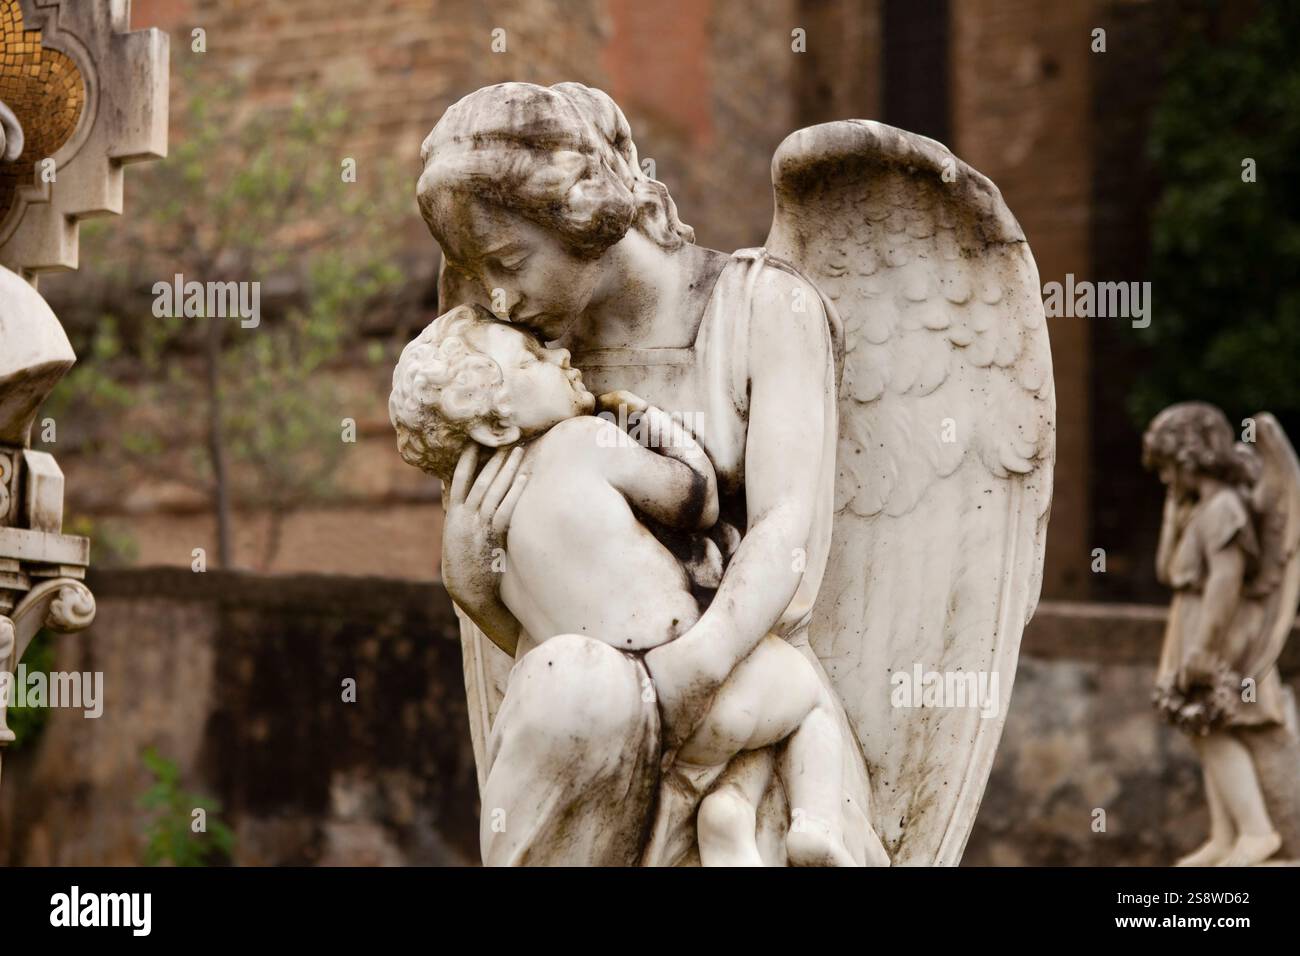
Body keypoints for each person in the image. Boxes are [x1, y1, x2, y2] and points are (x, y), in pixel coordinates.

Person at [419, 81, 885, 865]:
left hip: (746, 714)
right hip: (600, 725)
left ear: (580, 214)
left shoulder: (764, 310)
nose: (495, 297)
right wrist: (474, 586)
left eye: (505, 260)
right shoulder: (528, 366)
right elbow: (559, 624)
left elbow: (788, 540)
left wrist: (686, 674)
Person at [390, 304, 857, 865]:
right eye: (533, 358)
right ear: (495, 424)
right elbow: (696, 500)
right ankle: (815, 822)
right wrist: (652, 426)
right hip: (685, 667)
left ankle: (727, 816)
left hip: (623, 725)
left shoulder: (489, 537)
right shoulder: (583, 441)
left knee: (734, 747)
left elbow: (521, 641)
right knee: (804, 698)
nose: (561, 353)